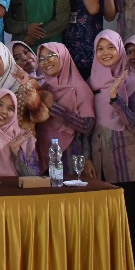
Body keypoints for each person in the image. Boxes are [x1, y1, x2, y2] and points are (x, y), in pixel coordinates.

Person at [87, 29, 135, 270]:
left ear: (119, 49)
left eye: (110, 47)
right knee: (107, 228)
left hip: (128, 163)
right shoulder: (90, 83)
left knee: (132, 225)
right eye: (100, 49)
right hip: (101, 163)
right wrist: (87, 157)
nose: (105, 53)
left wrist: (116, 101)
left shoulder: (132, 81)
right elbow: (87, 127)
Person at [34, 43, 95, 178]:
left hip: (69, 153)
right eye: (41, 58)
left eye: (51, 55)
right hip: (43, 153)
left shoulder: (80, 88)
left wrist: (54, 107)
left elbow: (87, 126)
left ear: (63, 56)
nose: (46, 61)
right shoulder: (44, 88)